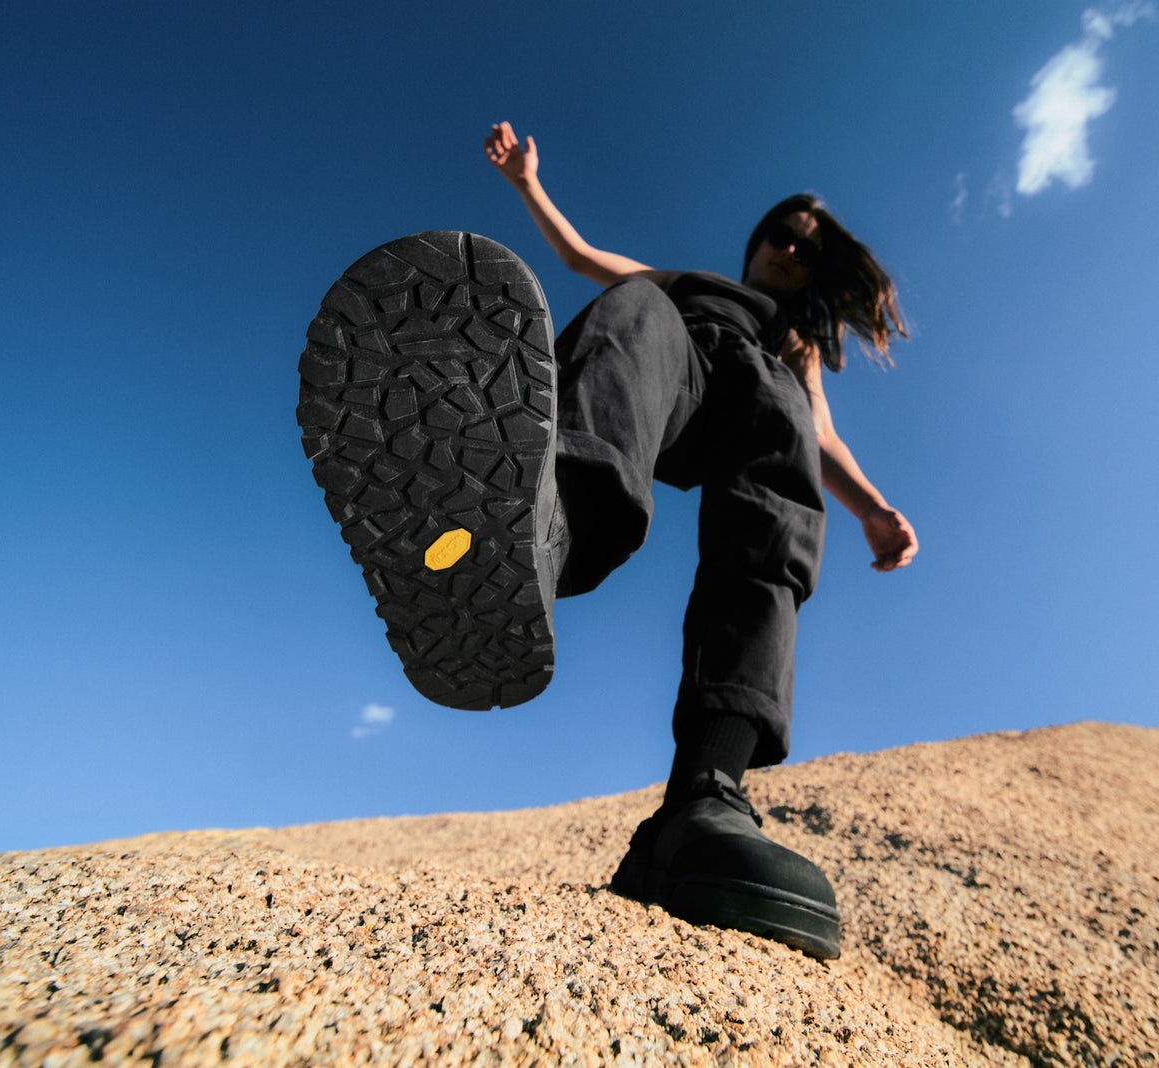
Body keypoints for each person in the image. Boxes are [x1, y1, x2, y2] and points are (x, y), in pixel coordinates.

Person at [296, 121, 915, 960]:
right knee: (635, 310)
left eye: (807, 249)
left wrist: (874, 509)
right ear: (755, 241)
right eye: (780, 233)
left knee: (780, 485)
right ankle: (535, 531)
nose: (788, 251)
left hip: (761, 400)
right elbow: (584, 256)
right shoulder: (686, 284)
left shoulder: (797, 345)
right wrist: (527, 184)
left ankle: (704, 798)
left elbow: (826, 438)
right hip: (677, 370)